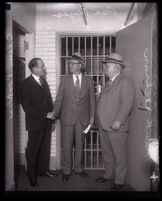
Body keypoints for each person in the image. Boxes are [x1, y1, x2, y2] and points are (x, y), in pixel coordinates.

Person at [53, 52, 95, 181]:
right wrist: (54, 114)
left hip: (82, 119)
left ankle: (78, 168)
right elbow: (59, 99)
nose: (69, 65)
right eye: (69, 63)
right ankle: (66, 170)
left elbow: (92, 100)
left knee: (80, 145)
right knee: (66, 145)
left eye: (72, 63)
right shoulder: (65, 80)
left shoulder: (89, 80)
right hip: (67, 118)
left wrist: (92, 117)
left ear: (80, 65)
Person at [96, 53, 135, 191]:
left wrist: (119, 120)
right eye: (106, 66)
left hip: (116, 126)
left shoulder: (125, 81)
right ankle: (108, 175)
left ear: (117, 67)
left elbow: (127, 103)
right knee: (106, 153)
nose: (105, 68)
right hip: (104, 124)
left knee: (119, 156)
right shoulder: (109, 82)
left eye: (108, 66)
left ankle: (119, 182)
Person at [20, 58, 57, 187]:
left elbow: (49, 101)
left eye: (43, 66)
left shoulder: (44, 82)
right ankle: (31, 176)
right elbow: (27, 107)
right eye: (42, 66)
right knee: (33, 150)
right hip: (35, 123)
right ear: (34, 68)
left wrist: (52, 119)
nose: (44, 68)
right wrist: (44, 115)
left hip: (47, 122)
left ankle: (43, 170)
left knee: (44, 149)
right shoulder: (25, 84)